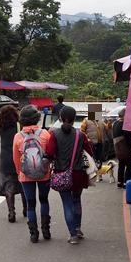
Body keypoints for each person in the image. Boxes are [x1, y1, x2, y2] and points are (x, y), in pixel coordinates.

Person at [47, 105, 94, 244]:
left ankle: (73, 235)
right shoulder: (81, 135)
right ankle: (78, 228)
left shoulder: (54, 134)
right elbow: (89, 152)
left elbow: (49, 153)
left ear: (60, 118)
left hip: (62, 174)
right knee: (77, 200)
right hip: (78, 174)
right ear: (74, 119)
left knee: (67, 203)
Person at [13, 105, 52, 243]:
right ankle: (46, 230)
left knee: (31, 204)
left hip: (26, 175)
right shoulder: (45, 134)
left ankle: (33, 234)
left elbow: (16, 159)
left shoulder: (18, 136)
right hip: (44, 174)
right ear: (37, 118)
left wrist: (20, 173)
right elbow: (50, 154)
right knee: (44, 200)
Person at [0, 105, 27, 223]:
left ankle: (11, 212)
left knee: (8, 186)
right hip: (18, 157)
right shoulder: (19, 125)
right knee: (23, 183)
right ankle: (26, 209)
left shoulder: (1, 126)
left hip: (5, 158)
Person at [112, 108, 131, 188]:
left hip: (117, 148)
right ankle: (126, 182)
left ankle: (119, 182)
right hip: (124, 148)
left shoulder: (115, 123)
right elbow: (128, 138)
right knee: (129, 166)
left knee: (121, 165)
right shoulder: (125, 124)